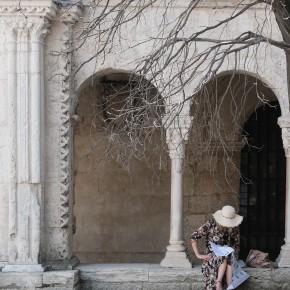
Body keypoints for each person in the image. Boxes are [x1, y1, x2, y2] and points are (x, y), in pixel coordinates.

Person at [190, 205, 243, 290]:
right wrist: (198, 255)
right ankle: (219, 283)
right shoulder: (211, 224)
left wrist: (233, 253)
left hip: (228, 255)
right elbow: (193, 237)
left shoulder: (234, 227)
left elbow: (236, 244)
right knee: (224, 257)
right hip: (212, 256)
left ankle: (229, 286)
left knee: (228, 257)